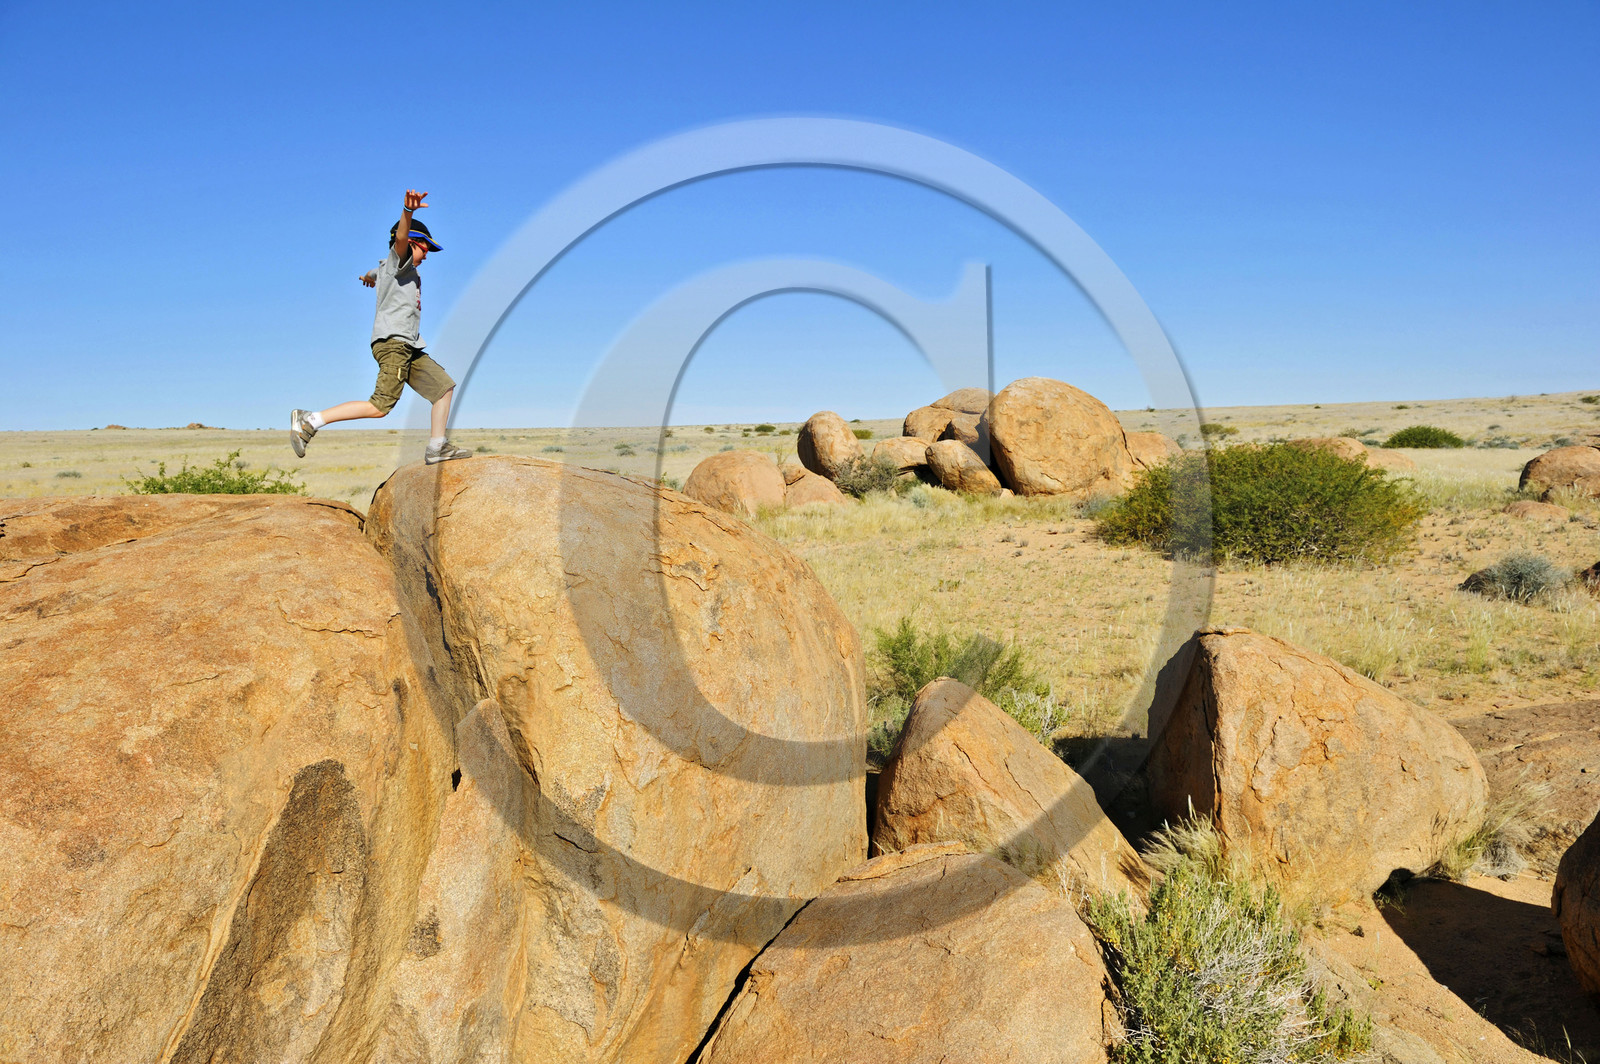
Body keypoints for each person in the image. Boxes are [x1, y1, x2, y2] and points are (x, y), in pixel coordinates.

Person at [289, 189, 471, 463]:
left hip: (409, 347)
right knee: (380, 406)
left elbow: (375, 271)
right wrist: (407, 212)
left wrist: (368, 277)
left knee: (443, 388)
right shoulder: (400, 262)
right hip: (394, 344)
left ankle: (437, 447)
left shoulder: (390, 268)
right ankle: (311, 420)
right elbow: (400, 240)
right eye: (425, 248)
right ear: (411, 243)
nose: (427, 255)